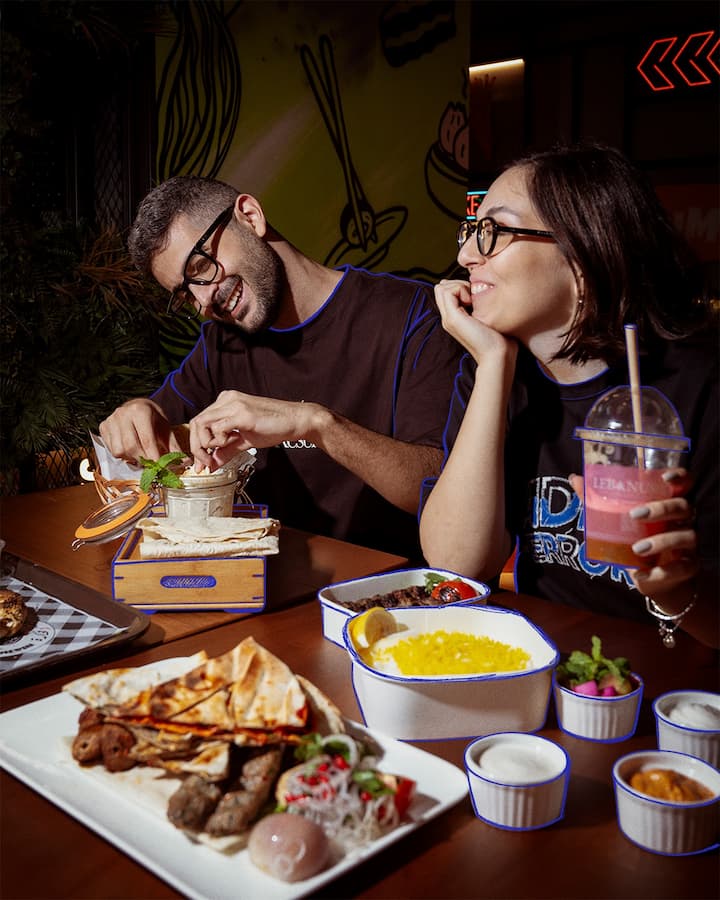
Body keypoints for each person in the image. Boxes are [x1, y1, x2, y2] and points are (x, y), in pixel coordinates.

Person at [419, 142, 718, 648]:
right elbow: (456, 563)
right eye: (470, 232)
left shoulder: (700, 388)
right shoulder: (494, 375)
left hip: (674, 676)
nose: (466, 255)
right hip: (541, 658)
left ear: (582, 254)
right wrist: (493, 365)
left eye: (493, 232)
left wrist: (674, 592)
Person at [99, 176, 463, 560]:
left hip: (394, 585)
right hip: (266, 581)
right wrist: (138, 411)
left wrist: (314, 423)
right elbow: (159, 423)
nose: (203, 300)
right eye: (185, 294)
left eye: (201, 266)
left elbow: (439, 490)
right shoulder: (222, 343)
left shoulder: (413, 316)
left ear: (250, 216)